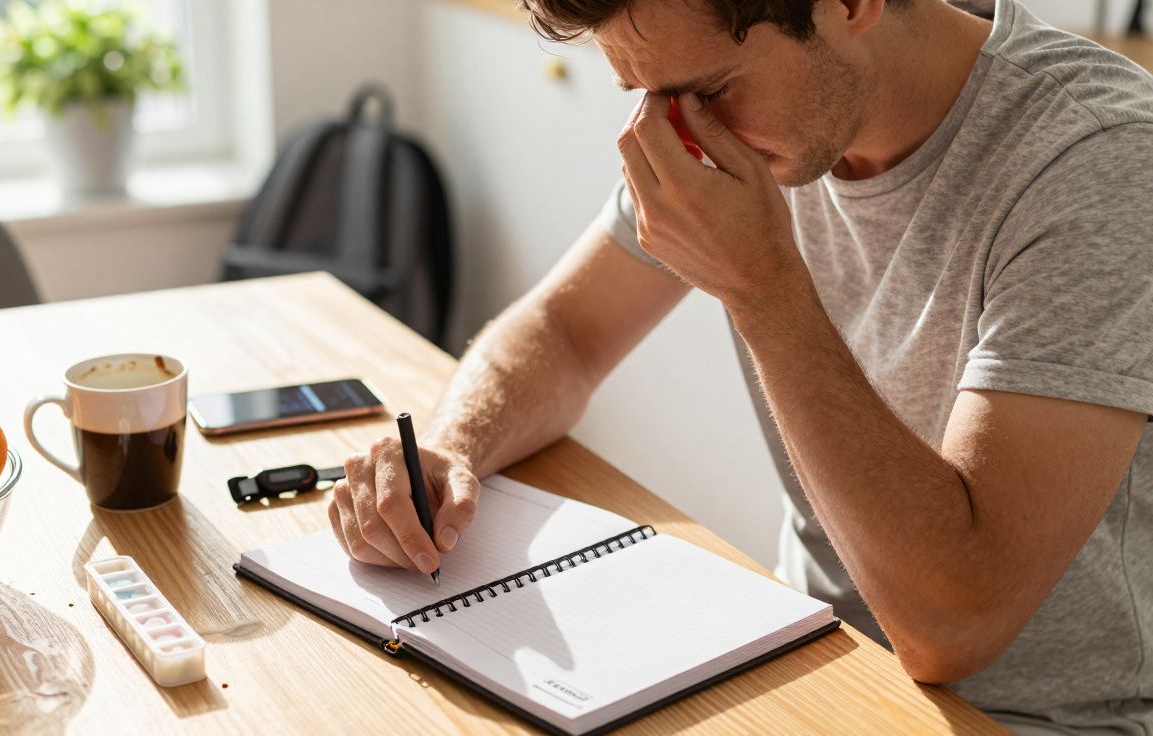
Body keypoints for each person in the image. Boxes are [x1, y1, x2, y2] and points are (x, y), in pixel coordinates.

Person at [327, 0, 1153, 730]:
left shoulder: (1096, 159)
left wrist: (763, 287)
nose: (675, 136)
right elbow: (566, 329)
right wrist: (449, 450)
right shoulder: (759, 114)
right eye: (645, 97)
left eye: (710, 90)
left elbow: (954, 628)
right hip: (811, 656)